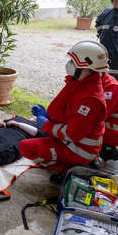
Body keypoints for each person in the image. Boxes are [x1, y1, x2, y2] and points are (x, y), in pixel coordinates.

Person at [19, 41, 107, 173]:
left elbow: (73, 134)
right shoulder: (79, 83)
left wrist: (47, 124)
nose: (69, 65)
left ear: (86, 67)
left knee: (26, 147)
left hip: (79, 149)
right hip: (70, 142)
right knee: (31, 139)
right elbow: (68, 112)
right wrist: (47, 115)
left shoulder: (91, 100)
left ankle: (69, 169)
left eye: (72, 61)